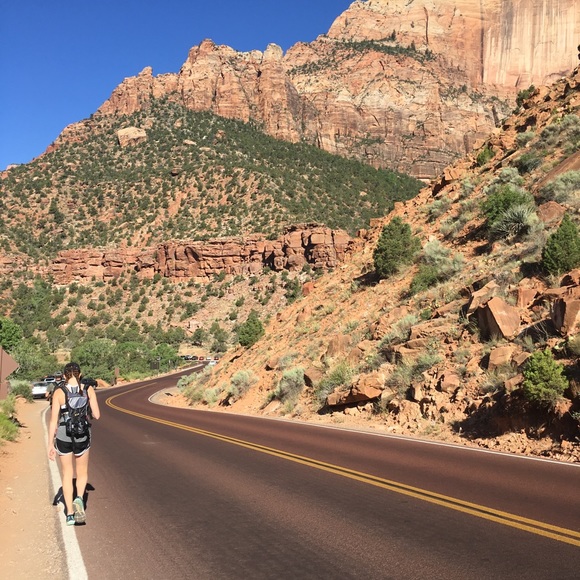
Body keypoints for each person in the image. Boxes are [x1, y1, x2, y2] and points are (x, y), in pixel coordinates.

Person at [47, 362, 100, 526]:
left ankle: (69, 513)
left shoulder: (59, 391)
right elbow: (97, 415)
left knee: (67, 474)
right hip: (82, 435)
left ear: (64, 375)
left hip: (64, 435)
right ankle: (79, 498)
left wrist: (50, 444)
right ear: (80, 374)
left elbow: (53, 420)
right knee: (82, 472)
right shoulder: (88, 389)